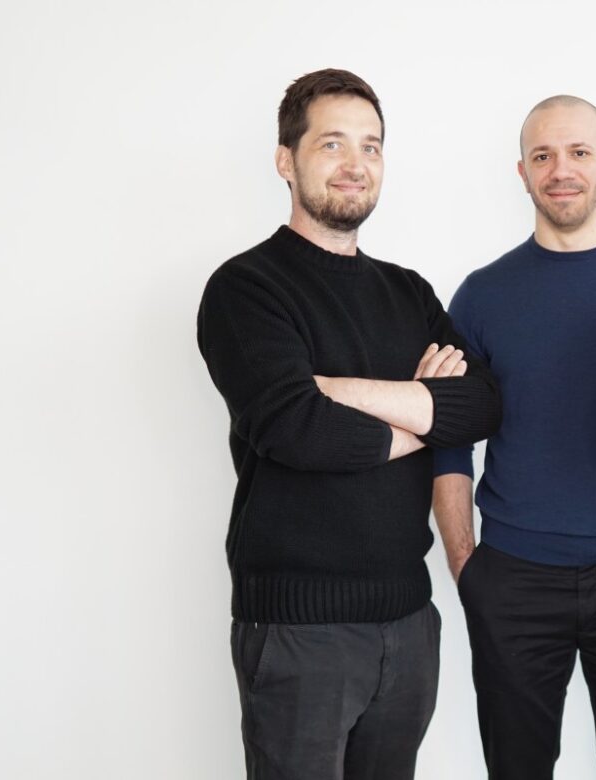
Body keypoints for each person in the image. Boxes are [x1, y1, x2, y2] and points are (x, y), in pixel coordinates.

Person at [196, 68, 501, 780]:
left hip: (409, 621)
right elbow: (298, 430)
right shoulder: (245, 288)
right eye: (332, 143)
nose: (355, 163)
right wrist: (424, 413)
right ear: (286, 159)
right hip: (299, 630)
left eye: (371, 146)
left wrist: (338, 391)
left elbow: (483, 405)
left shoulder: (408, 291)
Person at [432, 95, 596, 779]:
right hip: (514, 578)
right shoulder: (481, 295)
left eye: (578, 152)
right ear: (522, 172)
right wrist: (465, 564)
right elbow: (449, 441)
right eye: (542, 155)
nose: (561, 170)